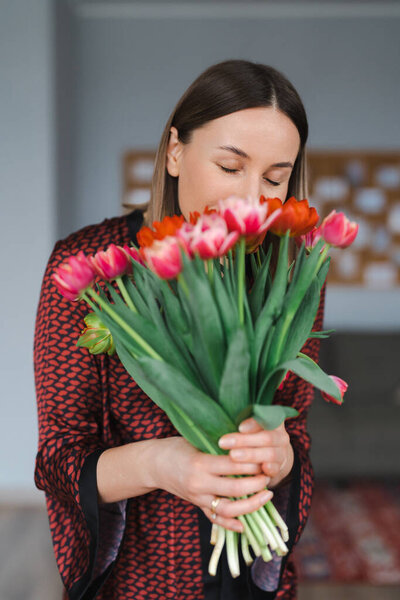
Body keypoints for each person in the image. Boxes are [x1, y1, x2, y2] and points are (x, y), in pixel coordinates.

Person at [33, 59, 326, 600]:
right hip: (140, 580)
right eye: (230, 166)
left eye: (274, 178)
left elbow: (296, 429)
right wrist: (162, 463)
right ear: (174, 152)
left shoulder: (290, 272)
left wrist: (281, 453)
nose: (249, 200)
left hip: (254, 574)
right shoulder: (91, 267)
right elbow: (57, 461)